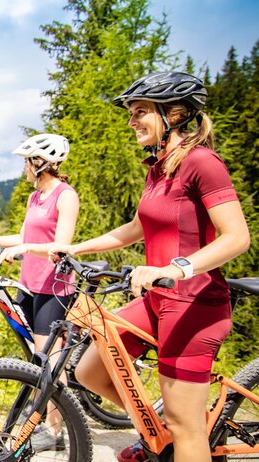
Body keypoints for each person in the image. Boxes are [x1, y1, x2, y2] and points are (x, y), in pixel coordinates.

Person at [48, 71, 250, 462]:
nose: (131, 120)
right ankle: (159, 433)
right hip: (160, 299)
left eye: (140, 111)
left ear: (173, 114)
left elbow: (236, 237)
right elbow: (137, 228)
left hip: (194, 303)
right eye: (131, 113)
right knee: (90, 370)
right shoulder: (158, 169)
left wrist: (176, 268)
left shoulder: (201, 162)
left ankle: (180, 431)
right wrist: (75, 247)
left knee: (186, 430)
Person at [0, 132, 80, 451]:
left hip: (54, 288)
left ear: (40, 163)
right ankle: (41, 413)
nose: (24, 168)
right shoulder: (35, 197)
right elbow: (24, 236)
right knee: (34, 357)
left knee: (48, 363)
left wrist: (26, 246)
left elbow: (62, 246)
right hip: (28, 285)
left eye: (26, 162)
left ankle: (55, 433)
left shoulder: (64, 195)